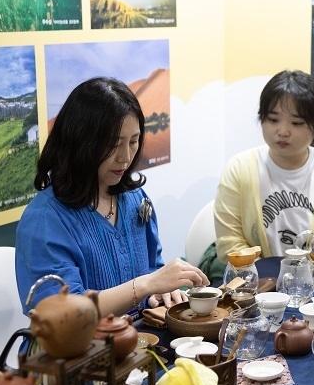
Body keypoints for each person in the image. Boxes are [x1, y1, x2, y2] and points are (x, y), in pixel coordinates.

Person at [16, 77, 209, 318]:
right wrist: (145, 285)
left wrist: (160, 292)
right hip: (80, 343)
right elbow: (63, 314)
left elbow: (153, 269)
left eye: (134, 141)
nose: (125, 157)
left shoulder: (134, 199)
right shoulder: (44, 220)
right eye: (113, 144)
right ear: (80, 142)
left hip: (138, 336)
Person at [214, 70, 314, 262]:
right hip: (257, 278)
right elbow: (229, 245)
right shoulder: (239, 169)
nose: (282, 131)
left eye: (296, 123)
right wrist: (267, 275)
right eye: (273, 120)